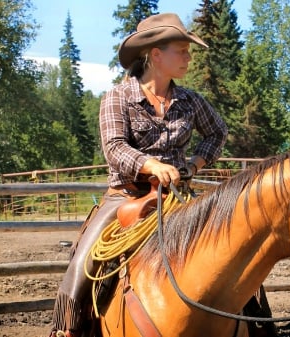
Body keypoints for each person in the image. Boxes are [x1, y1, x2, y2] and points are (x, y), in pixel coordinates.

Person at [49, 13, 228, 337]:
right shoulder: (116, 98)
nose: (188, 57)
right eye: (182, 50)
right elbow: (115, 147)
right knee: (82, 266)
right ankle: (68, 329)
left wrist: (193, 166)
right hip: (125, 197)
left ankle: (257, 325)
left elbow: (218, 132)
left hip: (177, 197)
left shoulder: (191, 101)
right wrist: (151, 165)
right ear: (155, 55)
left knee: (231, 249)